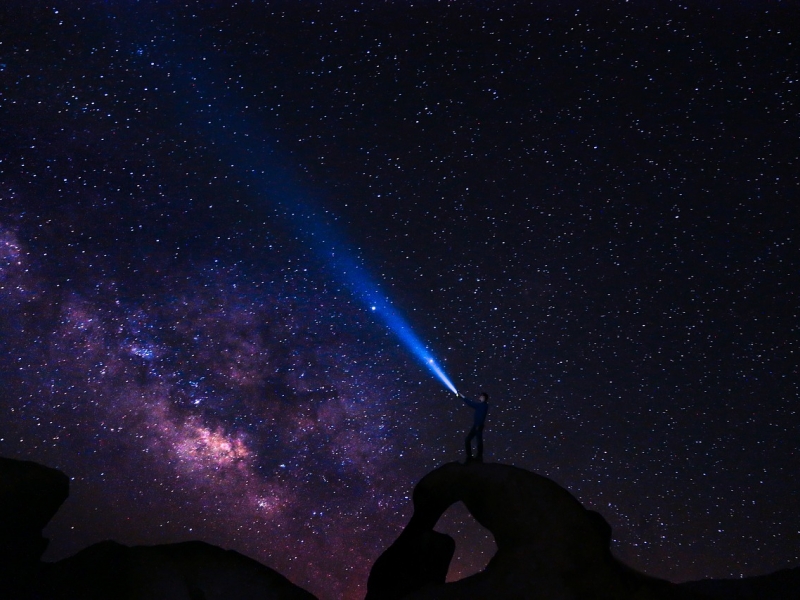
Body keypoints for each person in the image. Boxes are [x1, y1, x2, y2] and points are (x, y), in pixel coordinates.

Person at [459, 391, 489, 462]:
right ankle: (474, 456)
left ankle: (475, 457)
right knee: (471, 440)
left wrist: (463, 397)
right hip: (477, 425)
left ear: (484, 397)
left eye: (481, 396)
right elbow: (471, 404)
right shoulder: (482, 405)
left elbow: (471, 403)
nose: (479, 397)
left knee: (476, 440)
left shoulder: (483, 405)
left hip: (478, 425)